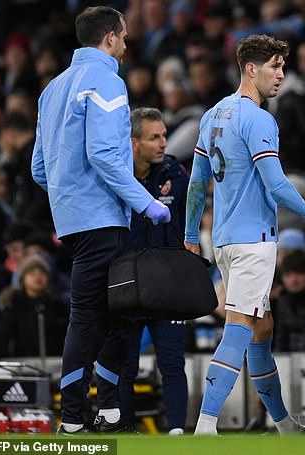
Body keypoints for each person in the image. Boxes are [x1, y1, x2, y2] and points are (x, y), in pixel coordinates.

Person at [184, 34, 305, 435]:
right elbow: (277, 185)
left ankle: (286, 425)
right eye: (275, 67)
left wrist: (190, 233)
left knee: (262, 326)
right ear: (251, 69)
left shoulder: (212, 115)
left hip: (223, 239)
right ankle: (206, 425)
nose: (281, 76)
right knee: (238, 326)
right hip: (254, 240)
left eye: (283, 67)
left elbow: (198, 182)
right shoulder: (259, 119)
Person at [31, 6, 171, 434]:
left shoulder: (51, 90)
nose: (127, 46)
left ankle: (106, 407)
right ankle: (72, 418)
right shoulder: (106, 81)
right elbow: (105, 156)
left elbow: (40, 168)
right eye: (124, 37)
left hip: (75, 219)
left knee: (118, 312)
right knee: (91, 315)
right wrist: (145, 202)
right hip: (103, 218)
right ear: (110, 37)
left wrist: (68, 199)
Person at [120, 107, 189, 435]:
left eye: (164, 135)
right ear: (133, 143)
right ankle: (127, 431)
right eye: (154, 137)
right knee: (125, 365)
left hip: (168, 281)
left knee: (173, 363)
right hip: (127, 281)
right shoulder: (115, 175)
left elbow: (190, 220)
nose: (164, 143)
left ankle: (176, 432)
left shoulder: (175, 174)